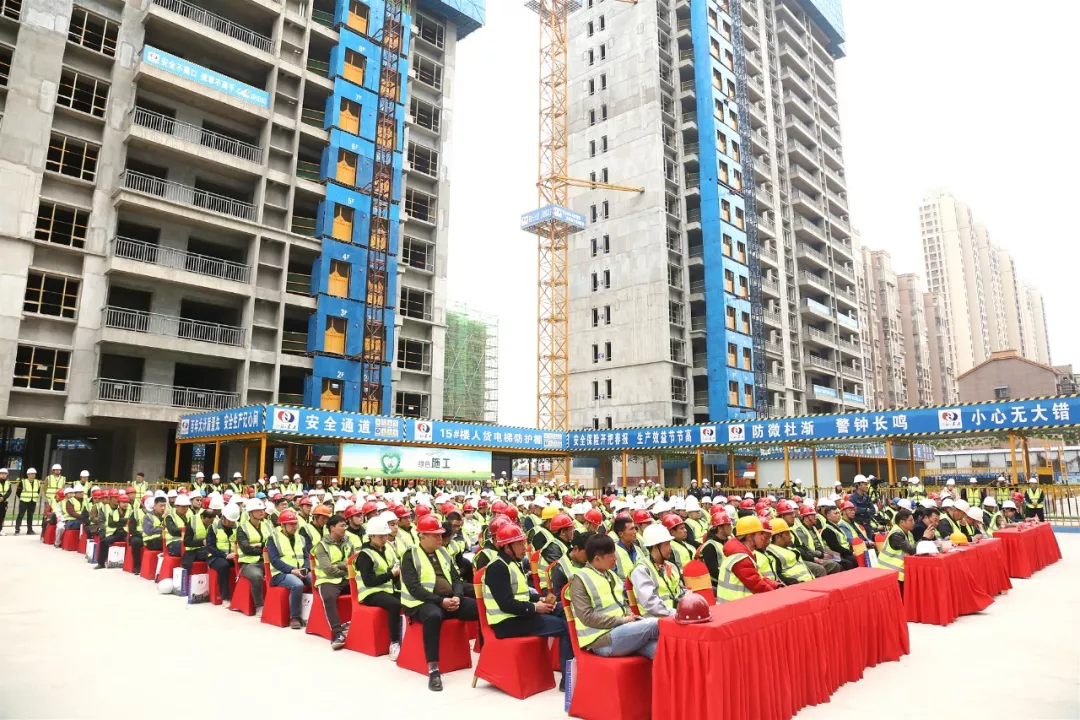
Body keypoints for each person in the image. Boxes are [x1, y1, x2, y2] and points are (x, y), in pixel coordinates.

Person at [481, 523, 572, 689]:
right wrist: (535, 608)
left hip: (521, 615)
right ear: (507, 546)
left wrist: (541, 598)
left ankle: (571, 672)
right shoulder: (497, 567)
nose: (525, 547)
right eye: (520, 544)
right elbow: (506, 604)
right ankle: (568, 681)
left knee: (566, 611)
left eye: (524, 542)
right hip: (507, 622)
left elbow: (522, 593)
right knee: (567, 628)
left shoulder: (513, 562)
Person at [400, 514, 479, 691]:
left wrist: (457, 596)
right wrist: (440, 601)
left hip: (447, 599)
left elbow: (456, 579)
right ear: (423, 536)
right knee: (434, 616)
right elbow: (414, 589)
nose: (440, 538)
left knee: (478, 609)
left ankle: (489, 654)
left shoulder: (443, 551)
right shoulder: (410, 555)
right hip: (420, 603)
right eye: (435, 535)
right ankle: (433, 669)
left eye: (440, 534)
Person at [570, 533, 659, 659]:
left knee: (663, 650)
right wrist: (622, 620)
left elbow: (623, 603)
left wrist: (629, 616)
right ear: (597, 559)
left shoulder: (611, 575)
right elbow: (587, 617)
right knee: (656, 624)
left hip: (623, 632)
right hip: (602, 641)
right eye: (611, 555)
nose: (615, 558)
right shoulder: (580, 580)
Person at [355, 516, 402, 658]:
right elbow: (369, 581)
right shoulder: (365, 555)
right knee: (394, 604)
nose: (384, 538)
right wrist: (391, 574)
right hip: (370, 592)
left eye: (386, 535)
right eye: (380, 536)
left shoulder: (387, 549)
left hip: (388, 589)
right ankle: (394, 642)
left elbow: (395, 563)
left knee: (411, 597)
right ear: (371, 536)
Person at [312, 513, 356, 650]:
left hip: (346, 579)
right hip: (328, 580)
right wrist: (345, 568)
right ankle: (338, 633)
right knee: (329, 597)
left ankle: (356, 625)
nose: (345, 528)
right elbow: (328, 569)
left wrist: (340, 565)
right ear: (332, 528)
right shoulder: (321, 546)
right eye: (342, 525)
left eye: (345, 525)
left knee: (365, 590)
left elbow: (354, 563)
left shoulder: (348, 542)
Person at [716, 516, 782, 601]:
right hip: (736, 610)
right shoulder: (741, 559)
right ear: (749, 537)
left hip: (736, 607)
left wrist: (776, 586)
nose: (763, 538)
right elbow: (758, 586)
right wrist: (778, 595)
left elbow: (759, 578)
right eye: (760, 534)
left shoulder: (742, 555)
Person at [268, 509, 312, 629]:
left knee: (316, 581)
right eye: (291, 524)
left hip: (301, 571)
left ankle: (314, 613)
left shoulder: (300, 538)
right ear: (282, 525)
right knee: (297, 585)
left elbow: (306, 556)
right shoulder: (273, 539)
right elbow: (274, 560)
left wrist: (306, 568)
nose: (294, 526)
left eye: (295, 523)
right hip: (281, 573)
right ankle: (295, 617)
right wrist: (292, 570)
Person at [629, 524, 686, 617]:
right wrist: (676, 613)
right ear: (655, 547)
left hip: (674, 614)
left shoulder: (671, 566)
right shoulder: (641, 570)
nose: (670, 548)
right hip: (655, 619)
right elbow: (650, 603)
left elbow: (681, 591)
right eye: (667, 544)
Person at [237, 498, 272, 617]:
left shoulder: (268, 525)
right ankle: (259, 606)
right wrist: (264, 551)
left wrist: (260, 545)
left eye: (262, 509)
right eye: (258, 510)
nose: (262, 512)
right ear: (250, 513)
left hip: (267, 561)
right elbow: (246, 548)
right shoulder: (242, 528)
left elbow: (273, 543)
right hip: (248, 563)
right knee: (257, 577)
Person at [876, 509, 921, 593]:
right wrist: (924, 538)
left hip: (900, 572)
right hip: (889, 571)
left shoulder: (908, 533)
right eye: (910, 520)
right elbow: (912, 550)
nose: (913, 522)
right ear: (902, 522)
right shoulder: (896, 534)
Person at [206, 503, 240, 606]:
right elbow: (210, 547)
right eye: (230, 520)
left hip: (235, 555)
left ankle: (240, 596)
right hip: (216, 557)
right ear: (223, 517)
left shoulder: (238, 527)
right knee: (223, 566)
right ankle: (225, 597)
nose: (231, 523)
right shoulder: (213, 527)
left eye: (233, 521)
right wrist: (224, 555)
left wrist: (236, 554)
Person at [763, 519, 814, 586]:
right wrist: (795, 583)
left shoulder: (787, 549)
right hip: (798, 588)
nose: (791, 536)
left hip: (807, 585)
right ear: (778, 537)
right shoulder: (772, 553)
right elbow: (778, 575)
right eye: (787, 534)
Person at [698, 509, 734, 590]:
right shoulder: (710, 546)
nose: (730, 527)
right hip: (718, 584)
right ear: (720, 528)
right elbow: (713, 571)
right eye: (727, 525)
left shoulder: (729, 541)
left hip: (730, 580)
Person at [550, 531, 590, 601]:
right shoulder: (560, 568)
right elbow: (559, 598)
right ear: (576, 549)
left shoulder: (589, 561)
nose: (590, 557)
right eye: (588, 553)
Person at [95, 491, 128, 569]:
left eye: (117, 497)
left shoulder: (126, 509)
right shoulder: (105, 508)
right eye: (115, 498)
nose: (116, 500)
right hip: (109, 530)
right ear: (110, 498)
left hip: (124, 532)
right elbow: (102, 522)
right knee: (103, 538)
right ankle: (101, 562)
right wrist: (107, 528)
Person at [611, 514, 640, 580]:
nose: (635, 532)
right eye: (631, 529)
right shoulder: (613, 553)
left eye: (635, 528)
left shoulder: (638, 549)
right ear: (621, 534)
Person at [14, 467, 41, 535]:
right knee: (20, 515)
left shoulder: (38, 482)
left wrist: (34, 497)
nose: (33, 475)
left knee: (30, 516)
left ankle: (29, 530)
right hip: (24, 501)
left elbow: (38, 491)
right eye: (31, 474)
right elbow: (18, 491)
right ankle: (17, 529)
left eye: (34, 474)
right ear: (28, 474)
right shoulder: (23, 482)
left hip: (33, 501)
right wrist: (22, 498)